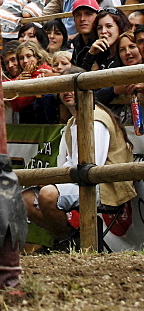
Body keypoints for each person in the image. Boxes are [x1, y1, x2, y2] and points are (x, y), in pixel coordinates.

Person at [22, 72, 136, 241]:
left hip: (106, 187)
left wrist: (53, 182)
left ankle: (72, 241)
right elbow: (69, 162)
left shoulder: (96, 120)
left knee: (47, 195)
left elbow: (92, 167)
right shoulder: (73, 122)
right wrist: (54, 180)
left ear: (86, 91)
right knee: (25, 199)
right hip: (80, 178)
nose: (68, 92)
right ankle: (69, 238)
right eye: (64, 89)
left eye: (73, 89)